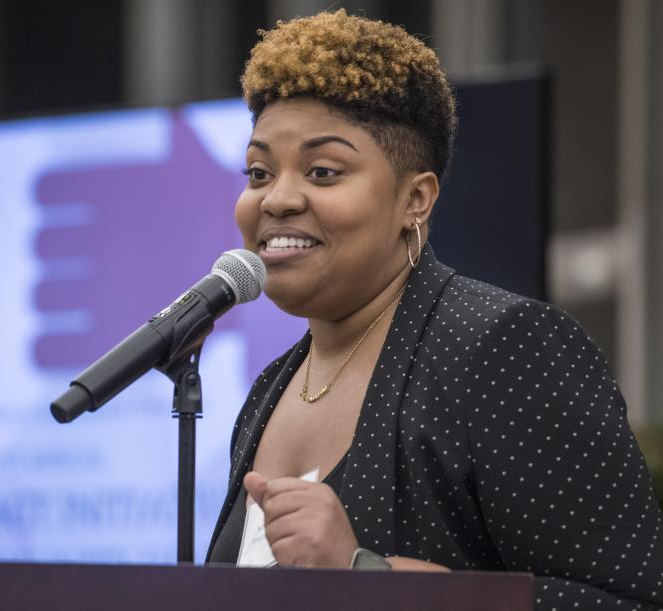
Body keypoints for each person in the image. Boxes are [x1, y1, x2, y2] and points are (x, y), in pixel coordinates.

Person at [206, 10, 663, 610]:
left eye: (323, 171)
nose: (279, 198)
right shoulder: (271, 388)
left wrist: (366, 572)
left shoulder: (503, 347)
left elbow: (629, 601)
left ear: (414, 199)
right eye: (259, 172)